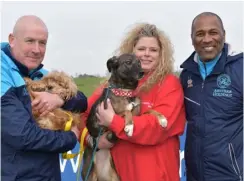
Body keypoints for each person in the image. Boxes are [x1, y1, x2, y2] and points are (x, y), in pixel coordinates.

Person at [81, 23, 186, 181]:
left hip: (156, 174)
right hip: (120, 173)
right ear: (132, 51)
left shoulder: (170, 84)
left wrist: (114, 122)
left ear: (161, 54)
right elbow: (83, 115)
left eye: (153, 50)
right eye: (141, 49)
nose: (147, 54)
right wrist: (93, 140)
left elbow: (157, 128)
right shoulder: (112, 86)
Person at [1, 15, 87, 181]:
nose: (37, 49)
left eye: (42, 43)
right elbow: (22, 136)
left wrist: (59, 99)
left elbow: (81, 100)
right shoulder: (3, 75)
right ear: (12, 40)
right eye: (30, 41)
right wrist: (70, 138)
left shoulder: (40, 74)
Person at [180, 12, 243, 181]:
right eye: (200, 34)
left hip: (231, 175)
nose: (207, 39)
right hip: (194, 175)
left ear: (224, 35)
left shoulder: (241, 69)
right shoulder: (186, 75)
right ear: (192, 39)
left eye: (213, 32)